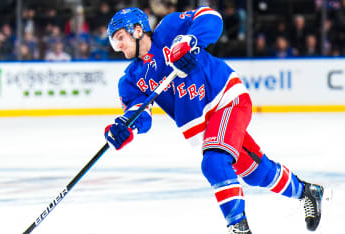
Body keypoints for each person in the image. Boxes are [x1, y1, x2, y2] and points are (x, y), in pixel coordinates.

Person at [103, 7, 324, 234]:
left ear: (138, 30)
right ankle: (308, 192)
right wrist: (123, 129)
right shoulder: (130, 80)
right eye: (114, 41)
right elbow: (140, 115)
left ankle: (238, 228)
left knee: (214, 162)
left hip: (226, 100)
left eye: (121, 37)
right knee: (257, 172)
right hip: (205, 128)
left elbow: (211, 17)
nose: (118, 45)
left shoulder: (169, 28)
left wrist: (190, 41)